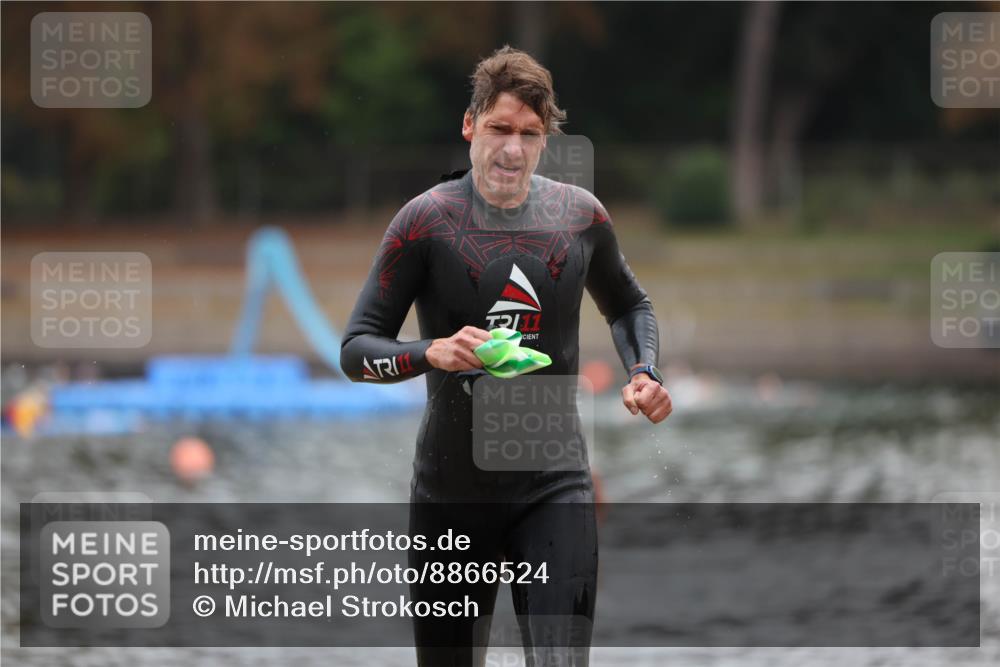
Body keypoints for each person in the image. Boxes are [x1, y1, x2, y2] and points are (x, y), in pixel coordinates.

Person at [341, 45, 671, 667]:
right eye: (499, 128)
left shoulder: (579, 218)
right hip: (449, 499)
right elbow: (356, 351)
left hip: (556, 490)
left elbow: (630, 306)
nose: (512, 149)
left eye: (529, 133)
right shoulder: (424, 223)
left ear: (545, 140)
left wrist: (644, 371)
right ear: (470, 125)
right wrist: (429, 352)